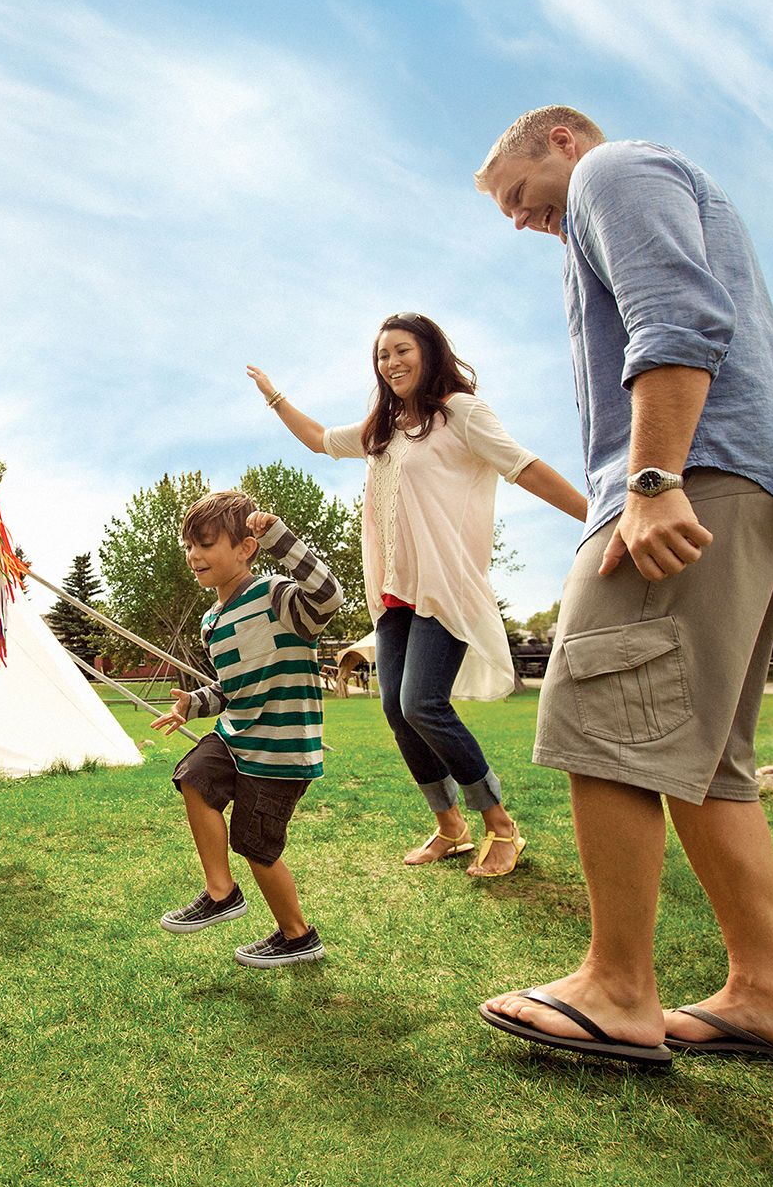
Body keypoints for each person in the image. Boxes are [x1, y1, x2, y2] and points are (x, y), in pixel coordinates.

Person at [472, 106, 773, 1068]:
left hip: (691, 474)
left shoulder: (613, 171)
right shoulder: (644, 188)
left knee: (599, 702)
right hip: (746, 479)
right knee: (703, 760)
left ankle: (616, 987)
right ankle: (770, 993)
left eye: (517, 196)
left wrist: (651, 481)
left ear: (560, 139)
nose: (519, 221)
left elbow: (677, 317)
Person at [249, 317, 586, 875]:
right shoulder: (382, 429)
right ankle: (449, 827)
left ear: (427, 353)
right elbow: (317, 440)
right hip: (392, 595)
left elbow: (523, 468)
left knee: (421, 703)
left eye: (401, 350)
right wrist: (275, 397)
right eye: (382, 356)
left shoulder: (461, 413)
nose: (390, 363)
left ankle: (500, 825)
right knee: (395, 709)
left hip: (442, 587)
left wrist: (599, 515)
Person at [153, 491, 343, 967]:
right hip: (236, 736)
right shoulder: (211, 620)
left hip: (280, 749)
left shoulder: (278, 596)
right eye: (189, 545)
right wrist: (194, 703)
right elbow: (232, 687)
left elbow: (330, 595)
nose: (193, 555)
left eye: (205, 543)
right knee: (193, 778)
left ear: (245, 548)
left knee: (255, 845)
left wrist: (279, 536)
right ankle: (221, 892)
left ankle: (298, 936)